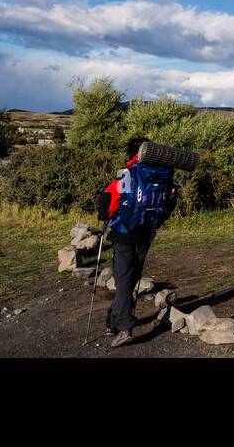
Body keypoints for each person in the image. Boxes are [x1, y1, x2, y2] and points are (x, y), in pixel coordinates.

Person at [97, 136, 177, 348]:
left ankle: (124, 328)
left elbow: (105, 208)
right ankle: (112, 321)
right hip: (146, 233)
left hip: (124, 235)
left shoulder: (126, 175)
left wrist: (106, 218)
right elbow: (169, 204)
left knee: (123, 281)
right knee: (130, 280)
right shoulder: (163, 176)